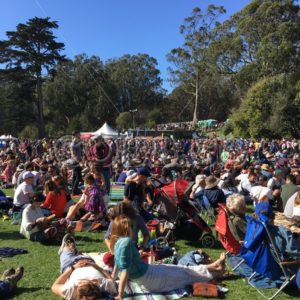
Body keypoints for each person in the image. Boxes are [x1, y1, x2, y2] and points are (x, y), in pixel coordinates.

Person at [111, 215, 226, 300]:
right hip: (151, 280)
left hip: (149, 272)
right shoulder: (126, 242)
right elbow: (125, 269)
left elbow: (117, 263)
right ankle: (216, 272)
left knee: (182, 269)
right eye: (130, 227)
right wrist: (120, 294)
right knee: (185, 277)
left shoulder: (117, 243)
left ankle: (212, 266)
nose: (132, 229)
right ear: (126, 229)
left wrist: (112, 277)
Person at [52, 234, 117, 300]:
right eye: (84, 282)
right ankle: (76, 251)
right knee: (80, 253)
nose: (79, 282)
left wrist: (73, 268)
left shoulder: (71, 291)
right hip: (88, 261)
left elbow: (54, 287)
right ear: (95, 283)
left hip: (70, 264)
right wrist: (95, 266)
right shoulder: (104, 286)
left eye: (79, 283)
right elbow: (111, 279)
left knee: (67, 247)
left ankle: (70, 247)